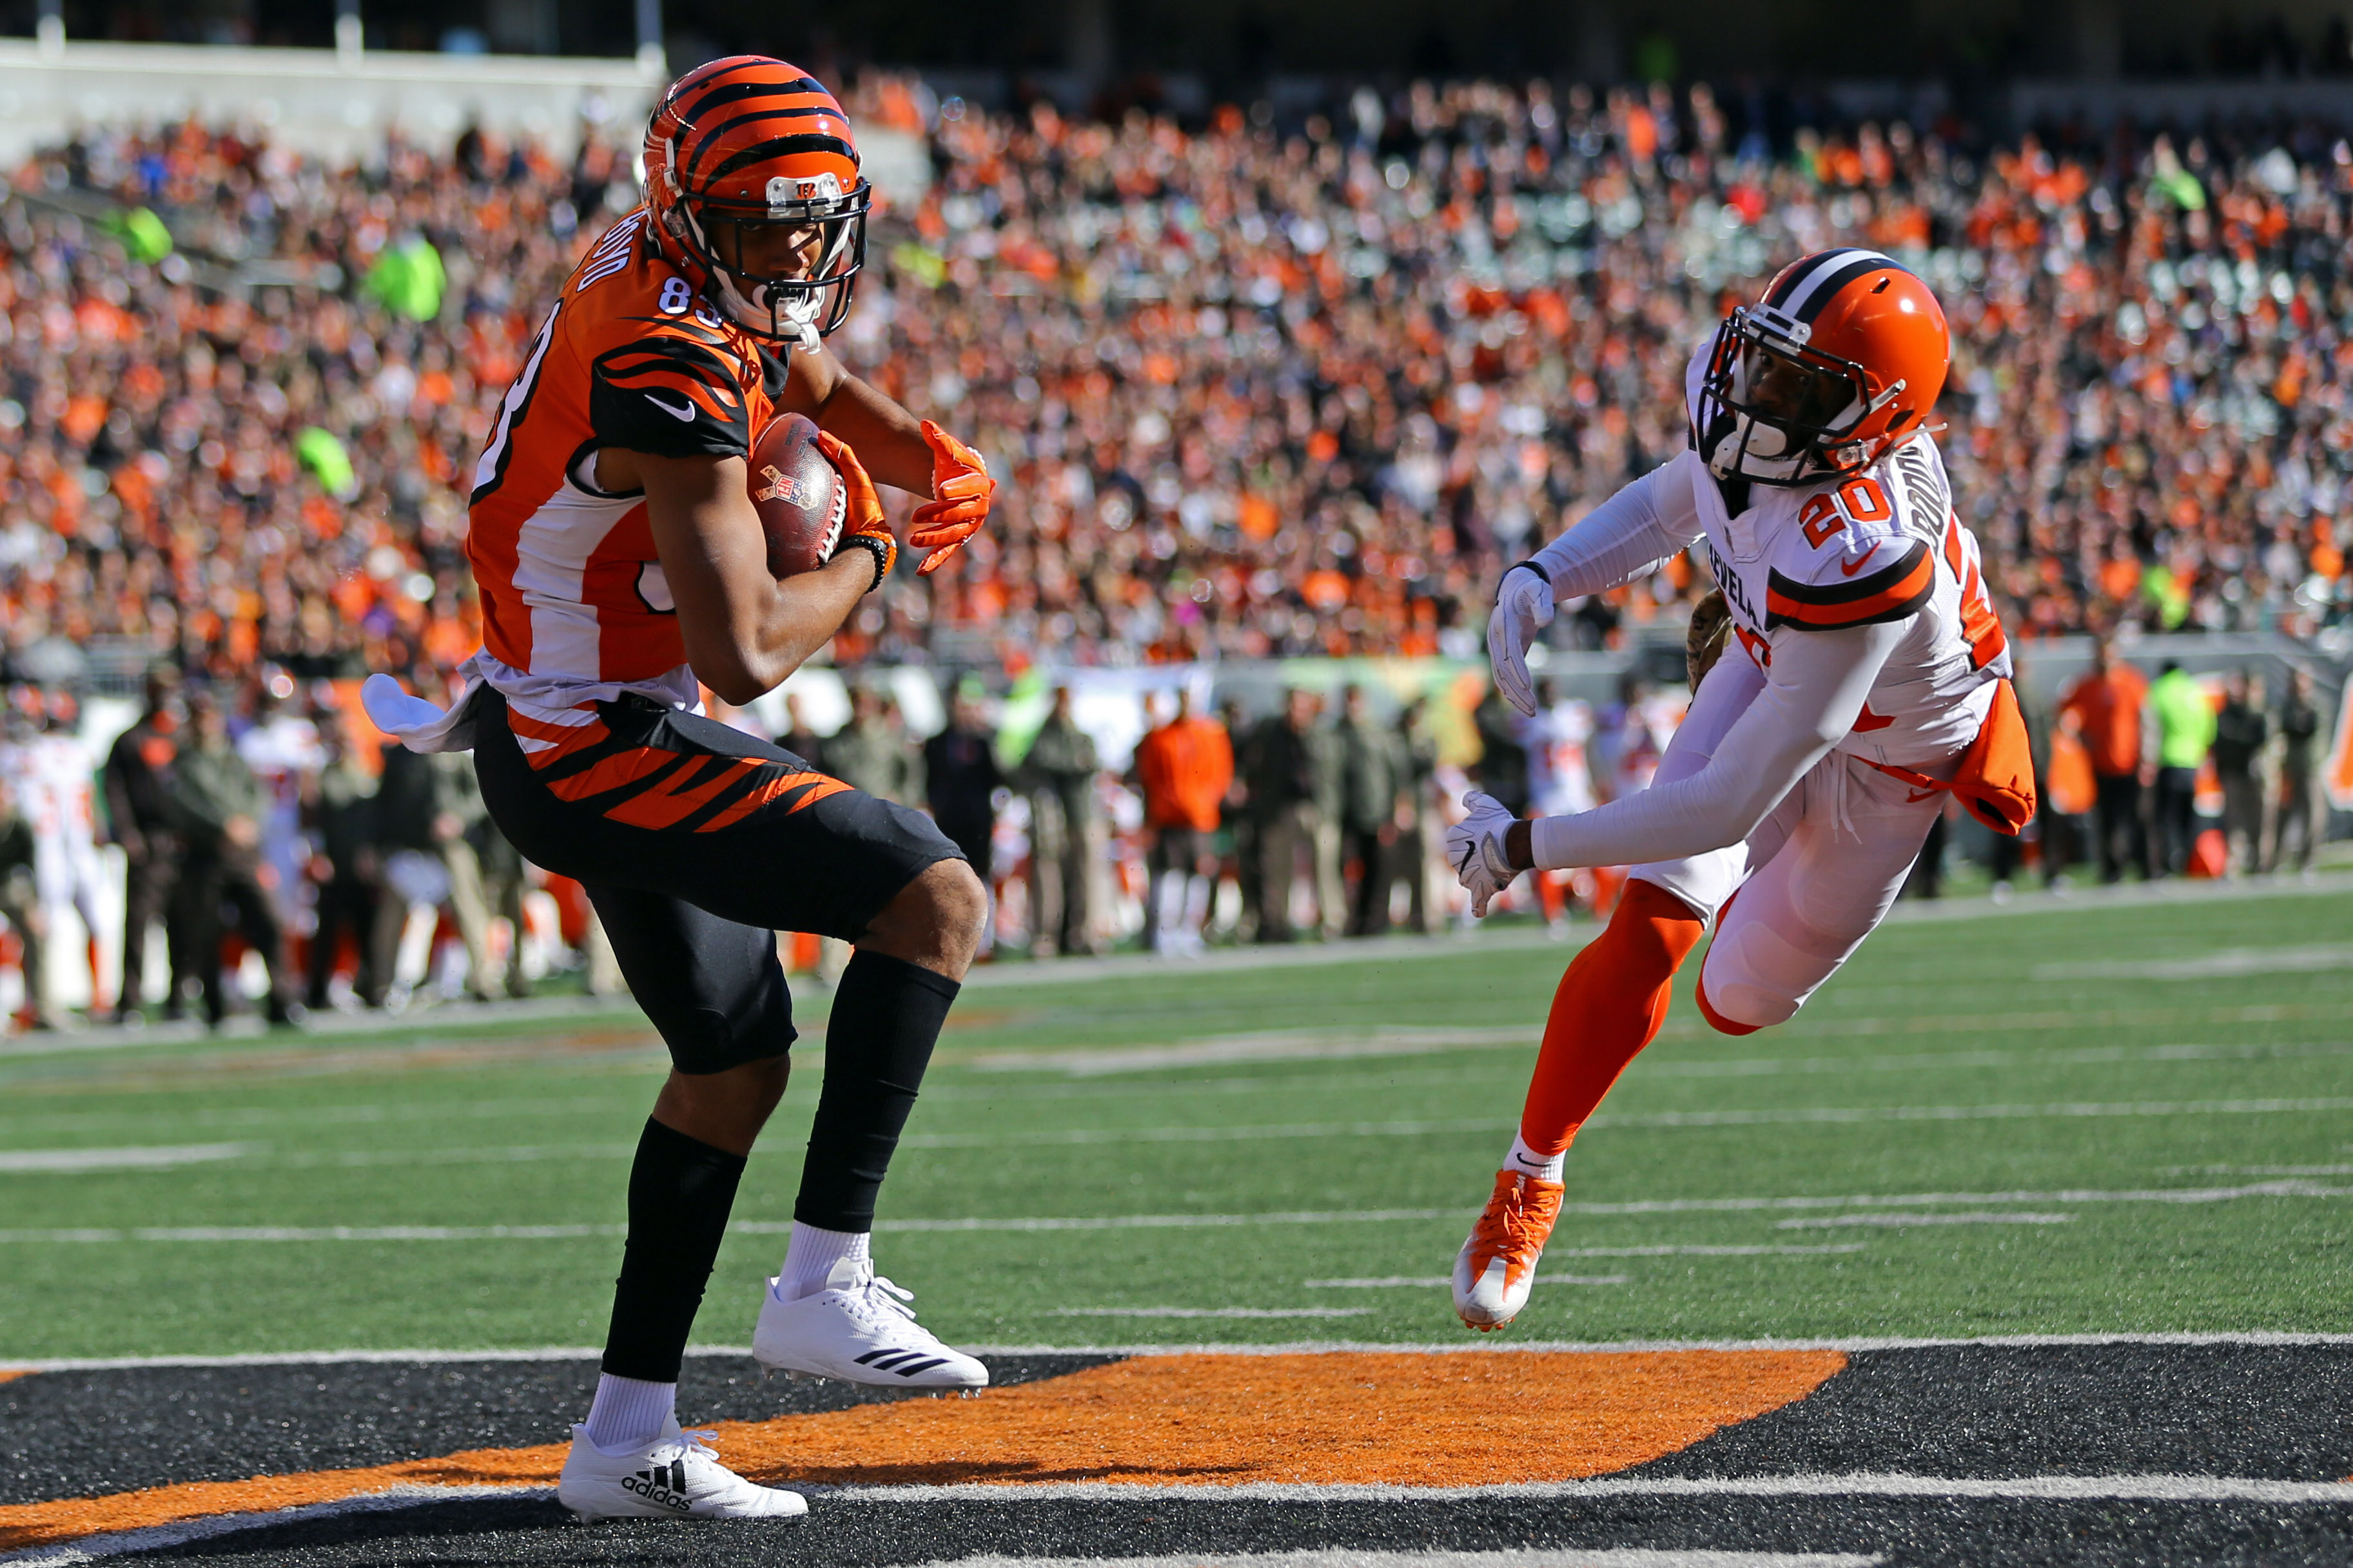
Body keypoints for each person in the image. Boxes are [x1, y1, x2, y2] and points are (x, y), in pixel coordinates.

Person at [362, 58, 995, 1522]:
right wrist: (876, 548)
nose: (789, 251)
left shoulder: (687, 272)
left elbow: (807, 373)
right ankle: (824, 1277)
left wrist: (926, 457)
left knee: (732, 1061)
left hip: (586, 717)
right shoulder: (665, 346)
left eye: (808, 222)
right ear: (687, 210)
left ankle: (622, 1439)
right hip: (594, 737)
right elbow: (750, 646)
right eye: (758, 224)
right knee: (931, 891)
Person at [1452, 249, 2032, 1332]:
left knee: (1736, 1001)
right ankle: (1528, 1179)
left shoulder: (1863, 545)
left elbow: (1721, 804)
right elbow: (1680, 497)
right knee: (1654, 926)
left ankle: (1749, 924)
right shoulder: (1772, 421)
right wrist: (1540, 575)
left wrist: (1526, 844)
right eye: (1763, 360)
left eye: (1798, 387)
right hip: (1780, 663)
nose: (1756, 397)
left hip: (1886, 761)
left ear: (1875, 421)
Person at [171, 689, 302, 1029]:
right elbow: (184, 806)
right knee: (206, 933)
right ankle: (214, 1006)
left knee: (269, 923)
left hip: (244, 855)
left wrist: (247, 823)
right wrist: (224, 825)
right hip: (206, 856)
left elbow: (258, 797)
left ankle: (282, 1000)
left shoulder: (235, 758)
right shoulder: (183, 763)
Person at [103, 668, 188, 1023]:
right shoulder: (130, 739)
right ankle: (130, 1003)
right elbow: (115, 791)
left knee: (182, 924)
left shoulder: (182, 736)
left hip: (181, 843)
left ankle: (178, 999)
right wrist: (127, 833)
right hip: (147, 842)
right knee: (138, 925)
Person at [1132, 688, 1233, 954]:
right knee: (1170, 875)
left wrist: (1205, 801)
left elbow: (1220, 774)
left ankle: (1190, 931)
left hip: (1200, 818)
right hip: (1169, 818)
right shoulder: (1161, 737)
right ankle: (1165, 933)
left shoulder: (1211, 735)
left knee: (1198, 874)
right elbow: (1150, 777)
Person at [304, 721, 387, 1011]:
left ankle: (373, 987)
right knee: (326, 932)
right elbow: (313, 820)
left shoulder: (367, 775)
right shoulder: (324, 777)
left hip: (361, 866)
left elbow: (376, 821)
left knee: (368, 931)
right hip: (335, 864)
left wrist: (373, 853)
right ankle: (316, 991)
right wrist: (318, 855)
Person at [2059, 639, 2150, 883]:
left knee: (2137, 818)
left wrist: (2146, 758)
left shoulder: (2132, 681)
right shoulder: (2086, 686)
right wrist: (2084, 739)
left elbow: (2145, 720)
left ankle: (2147, 867)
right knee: (2107, 820)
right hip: (2100, 764)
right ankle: (2112, 869)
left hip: (2130, 763)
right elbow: (2063, 715)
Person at [1020, 686, 1100, 956]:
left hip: (1080, 812)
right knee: (1047, 869)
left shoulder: (1080, 737)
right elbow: (1042, 760)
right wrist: (1072, 764)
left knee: (1087, 871)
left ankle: (1085, 931)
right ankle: (1046, 935)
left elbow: (1089, 762)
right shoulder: (1044, 737)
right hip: (1050, 815)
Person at [1240, 690, 1321, 942]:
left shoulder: (1316, 734)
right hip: (1277, 808)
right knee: (1276, 868)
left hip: (1311, 806)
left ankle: (1327, 922)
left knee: (1322, 866)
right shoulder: (1270, 732)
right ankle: (1276, 924)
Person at [1335, 685, 1405, 936]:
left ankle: (1376, 921)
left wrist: (1395, 809)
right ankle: (1355, 920)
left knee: (1379, 869)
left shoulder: (1378, 734)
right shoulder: (1339, 733)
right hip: (1348, 812)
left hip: (1377, 811)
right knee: (1350, 870)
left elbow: (1396, 773)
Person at [2147, 659, 2214, 878]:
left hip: (2167, 760)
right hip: (2192, 762)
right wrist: (2200, 750)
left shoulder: (2159, 691)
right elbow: (2209, 726)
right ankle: (2188, 860)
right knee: (2188, 817)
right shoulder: (2195, 691)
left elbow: (2150, 725)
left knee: (2166, 817)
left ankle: (2168, 862)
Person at [0, 776, 54, 1029]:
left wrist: (35, 906)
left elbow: (32, 868)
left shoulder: (19, 825)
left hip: (11, 890)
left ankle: (40, 1006)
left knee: (37, 934)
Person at [2211, 670, 2269, 876]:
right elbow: (2221, 742)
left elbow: (2258, 740)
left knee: (2260, 821)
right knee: (2234, 822)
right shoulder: (2226, 714)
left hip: (2255, 774)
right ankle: (2234, 864)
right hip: (2234, 773)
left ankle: (2262, 863)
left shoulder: (2258, 714)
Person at [2271, 668, 2329, 874]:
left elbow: (2312, 731)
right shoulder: (2287, 706)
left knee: (2313, 815)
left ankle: (2308, 859)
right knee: (2283, 814)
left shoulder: (2317, 706)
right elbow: (2283, 730)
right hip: (2289, 768)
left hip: (2310, 768)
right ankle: (2278, 859)